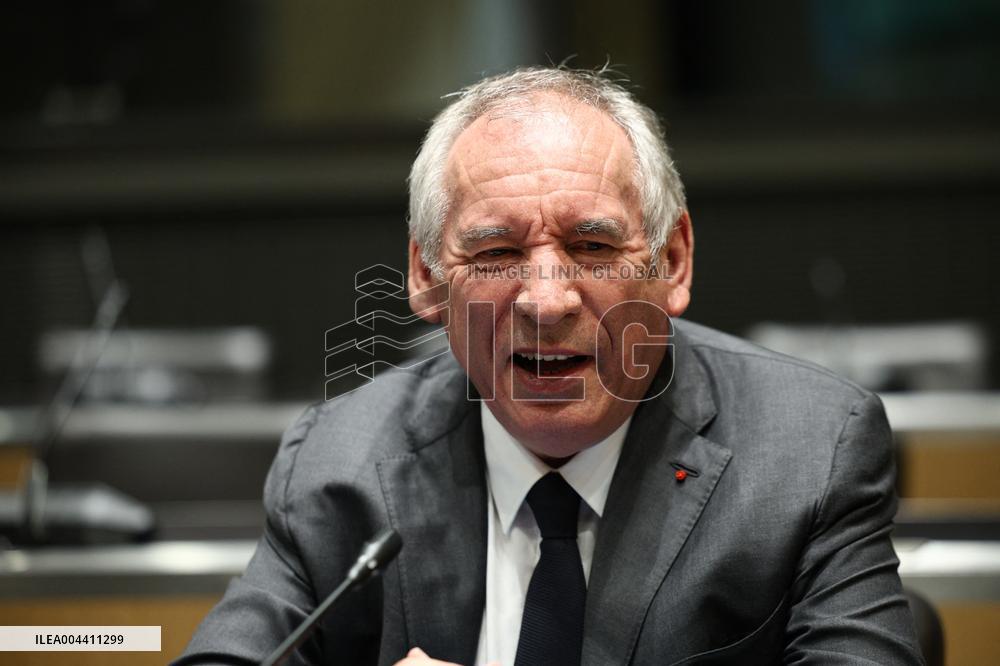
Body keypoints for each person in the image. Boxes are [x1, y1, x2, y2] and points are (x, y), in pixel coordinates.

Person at [177, 67, 922, 665]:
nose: (544, 300)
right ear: (428, 276)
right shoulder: (340, 465)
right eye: (496, 253)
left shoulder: (808, 452)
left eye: (594, 247)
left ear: (672, 260)